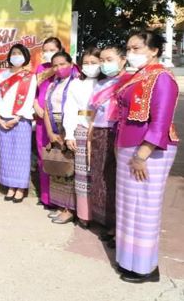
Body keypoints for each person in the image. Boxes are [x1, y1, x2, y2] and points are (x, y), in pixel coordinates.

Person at [115, 30, 179, 284]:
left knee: (145, 209)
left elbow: (161, 121)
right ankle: (128, 260)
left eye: (137, 48)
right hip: (129, 146)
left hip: (149, 150)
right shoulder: (137, 76)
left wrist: (141, 156)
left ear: (153, 50)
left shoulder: (162, 77)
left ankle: (145, 267)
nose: (131, 53)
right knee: (129, 207)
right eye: (129, 48)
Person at [87, 45, 129, 247]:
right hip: (98, 132)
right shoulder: (100, 84)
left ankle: (117, 227)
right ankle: (104, 220)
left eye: (109, 59)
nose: (104, 64)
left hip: (118, 133)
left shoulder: (129, 82)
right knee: (99, 175)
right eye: (102, 60)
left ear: (122, 60)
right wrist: (86, 128)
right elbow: (89, 111)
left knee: (114, 179)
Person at [0, 44, 37, 203]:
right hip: (3, 118)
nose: (16, 56)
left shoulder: (30, 76)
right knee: (7, 153)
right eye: (13, 53)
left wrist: (17, 117)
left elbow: (29, 98)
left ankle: (20, 187)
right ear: (9, 57)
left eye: (19, 53)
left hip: (21, 119)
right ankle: (10, 185)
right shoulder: (3, 75)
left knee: (21, 154)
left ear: (25, 57)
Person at [63, 47, 101, 227]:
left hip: (102, 131)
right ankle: (84, 214)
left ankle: (102, 216)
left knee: (100, 173)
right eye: (86, 63)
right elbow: (69, 108)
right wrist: (69, 133)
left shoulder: (108, 83)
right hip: (80, 129)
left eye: (94, 63)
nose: (89, 66)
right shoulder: (76, 83)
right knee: (82, 174)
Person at [43, 51, 78, 224]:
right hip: (55, 128)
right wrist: (50, 132)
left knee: (70, 168)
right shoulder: (52, 84)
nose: (58, 68)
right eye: (55, 65)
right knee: (58, 168)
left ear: (71, 64)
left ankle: (70, 209)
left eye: (62, 64)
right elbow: (47, 110)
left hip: (70, 127)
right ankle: (60, 204)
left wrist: (67, 132)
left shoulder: (78, 83)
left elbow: (77, 110)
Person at [34, 37, 63, 207]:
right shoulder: (41, 68)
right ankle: (46, 197)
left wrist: (57, 66)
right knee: (43, 154)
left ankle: (61, 198)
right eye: (45, 50)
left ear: (60, 49)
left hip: (59, 118)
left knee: (60, 156)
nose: (47, 53)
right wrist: (35, 104)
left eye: (52, 49)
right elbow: (33, 89)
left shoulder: (69, 67)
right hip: (40, 117)